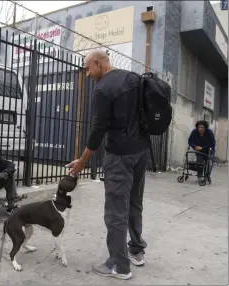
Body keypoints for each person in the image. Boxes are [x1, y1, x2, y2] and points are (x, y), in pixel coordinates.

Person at [66, 50, 150, 280]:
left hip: (120, 156)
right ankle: (136, 251)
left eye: (87, 68)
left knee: (115, 210)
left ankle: (119, 265)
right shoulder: (133, 78)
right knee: (134, 202)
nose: (87, 73)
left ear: (97, 63)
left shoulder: (103, 89)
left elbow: (97, 131)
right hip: (141, 150)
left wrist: (82, 162)